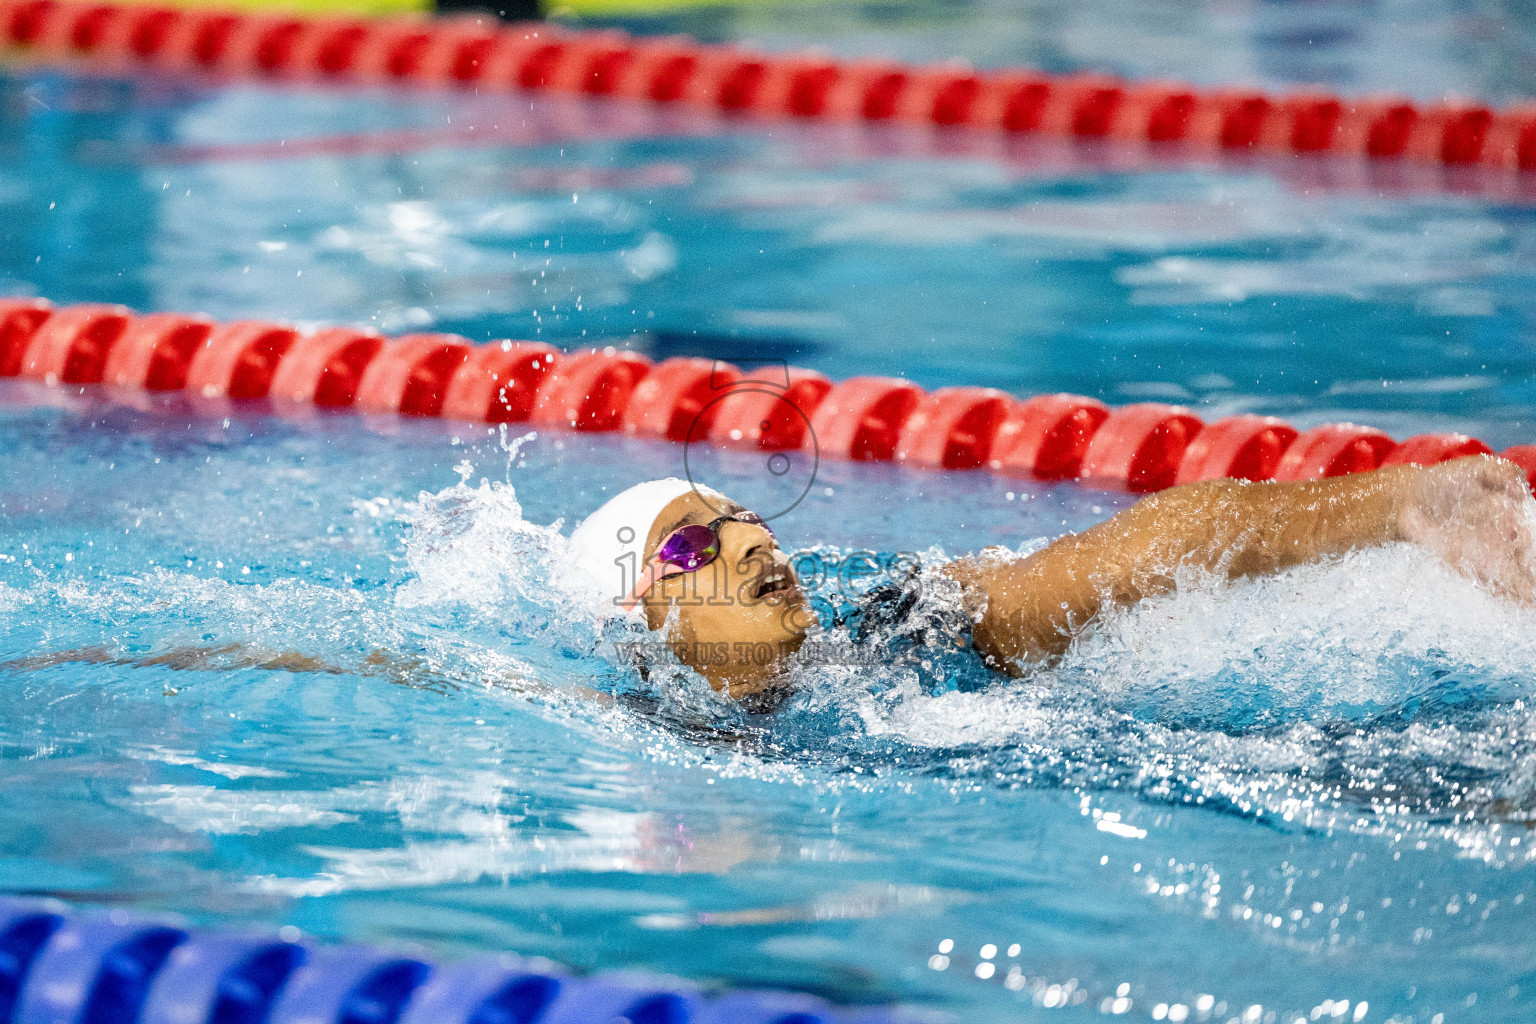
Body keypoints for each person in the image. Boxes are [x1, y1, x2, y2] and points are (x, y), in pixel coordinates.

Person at [568, 456, 1536, 703]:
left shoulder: (912, 629)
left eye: (745, 519)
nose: (751, 544)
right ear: (640, 616)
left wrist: (1398, 503)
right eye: (694, 546)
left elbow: (1150, 547)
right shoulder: (621, 722)